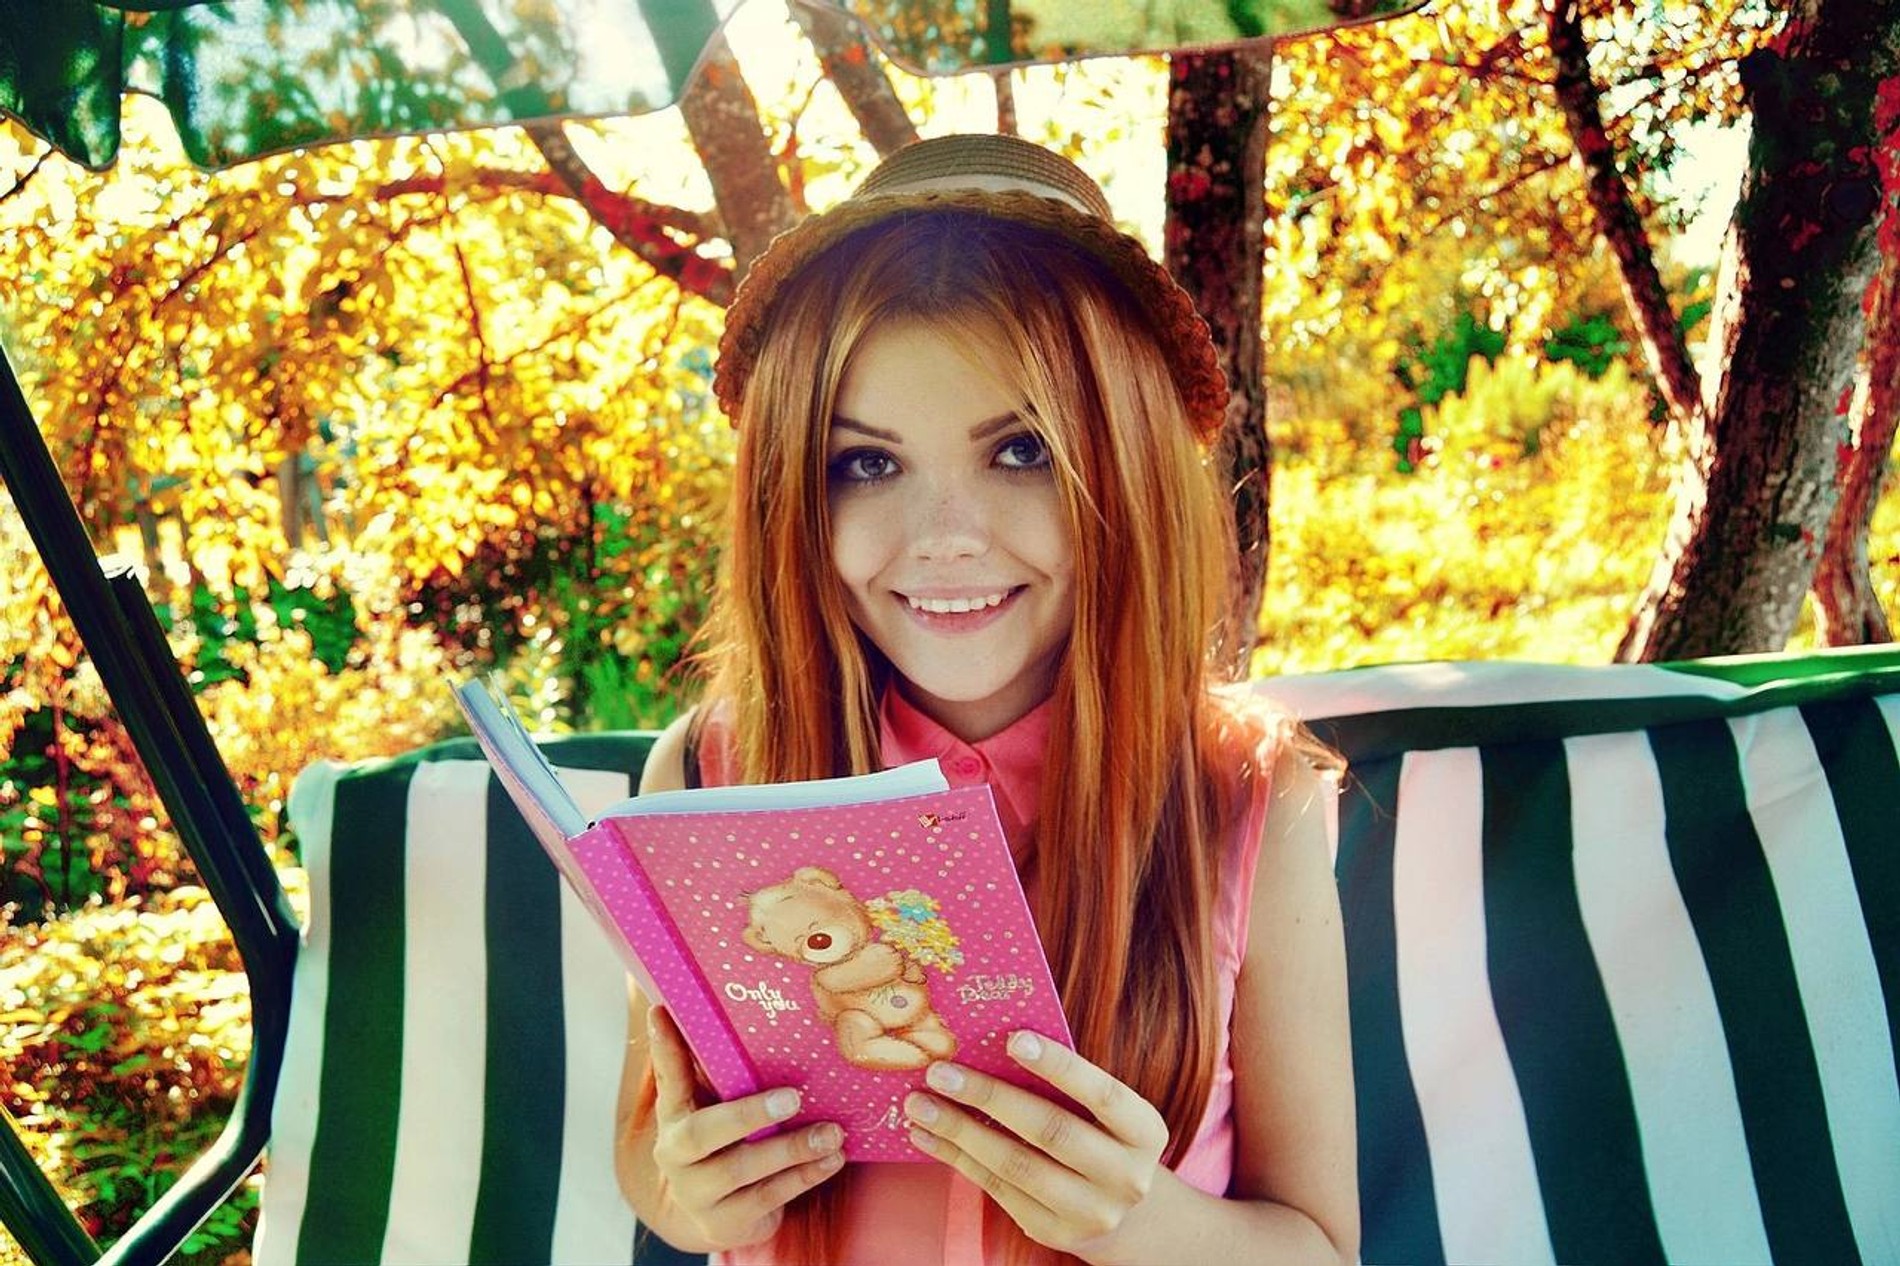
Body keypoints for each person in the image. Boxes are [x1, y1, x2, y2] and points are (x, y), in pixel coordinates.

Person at [614, 132, 1356, 1266]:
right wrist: (697, 1193)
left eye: (1021, 451)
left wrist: (1140, 1222)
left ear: (1129, 468)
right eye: (866, 463)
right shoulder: (706, 773)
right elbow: (648, 1152)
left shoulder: (1250, 797)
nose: (944, 539)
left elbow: (1319, 1247)